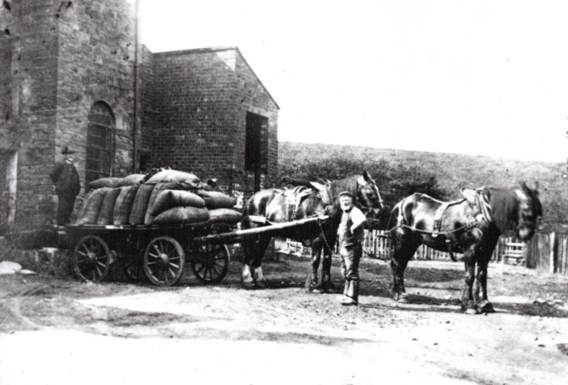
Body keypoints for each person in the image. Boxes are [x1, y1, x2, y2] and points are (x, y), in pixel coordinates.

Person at [336, 191, 367, 306]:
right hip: (344, 246)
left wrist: (353, 228)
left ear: (352, 200)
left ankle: (353, 298)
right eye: (343, 199)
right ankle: (346, 295)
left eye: (347, 199)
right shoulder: (344, 213)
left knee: (352, 271)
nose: (345, 201)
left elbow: (361, 220)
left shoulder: (355, 211)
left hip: (352, 247)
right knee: (345, 271)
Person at [50, 146, 81, 225]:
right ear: (65, 155)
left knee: (69, 209)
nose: (71, 156)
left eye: (72, 154)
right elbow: (53, 175)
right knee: (62, 209)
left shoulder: (73, 167)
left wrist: (77, 189)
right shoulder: (60, 164)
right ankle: (60, 226)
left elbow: (76, 178)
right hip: (63, 191)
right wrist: (59, 185)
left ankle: (66, 225)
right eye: (69, 154)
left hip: (72, 192)